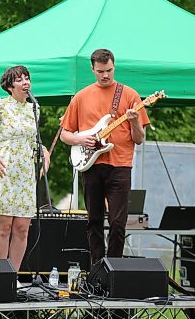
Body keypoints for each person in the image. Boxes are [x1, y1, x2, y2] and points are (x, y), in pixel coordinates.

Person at [60, 49, 150, 264]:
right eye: (100, 71)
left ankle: (114, 268)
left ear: (114, 66)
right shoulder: (81, 96)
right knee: (94, 220)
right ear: (92, 69)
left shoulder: (129, 95)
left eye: (109, 70)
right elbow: (64, 134)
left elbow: (139, 139)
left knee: (118, 222)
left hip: (120, 165)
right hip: (91, 164)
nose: (105, 75)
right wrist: (81, 140)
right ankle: (97, 269)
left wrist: (135, 121)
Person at [0, 65, 50, 275]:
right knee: (4, 227)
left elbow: (33, 140)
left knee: (22, 229)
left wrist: (43, 152)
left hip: (25, 173)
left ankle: (13, 275)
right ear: (9, 85)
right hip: (3, 168)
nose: (26, 83)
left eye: (27, 78)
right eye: (19, 79)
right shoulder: (0, 105)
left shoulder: (34, 108)